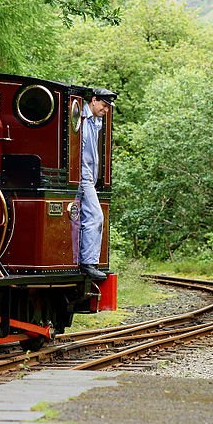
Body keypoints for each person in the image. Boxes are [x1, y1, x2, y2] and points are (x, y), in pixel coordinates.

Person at [78, 88, 115, 280]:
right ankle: (88, 262)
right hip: (82, 178)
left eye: (108, 107)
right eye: (104, 105)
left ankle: (85, 260)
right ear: (93, 100)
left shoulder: (95, 121)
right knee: (95, 216)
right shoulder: (81, 119)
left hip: (89, 177)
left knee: (87, 217)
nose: (106, 110)